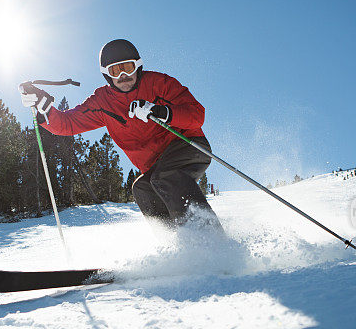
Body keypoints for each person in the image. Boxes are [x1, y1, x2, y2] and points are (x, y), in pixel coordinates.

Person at [20, 38, 222, 232]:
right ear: (107, 74)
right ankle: (177, 245)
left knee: (166, 177)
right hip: (155, 164)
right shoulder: (102, 102)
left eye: (129, 67)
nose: (123, 75)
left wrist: (160, 111)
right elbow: (67, 124)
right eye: (115, 70)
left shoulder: (159, 83)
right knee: (142, 187)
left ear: (138, 66)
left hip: (188, 146)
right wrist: (44, 109)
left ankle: (208, 237)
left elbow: (196, 115)